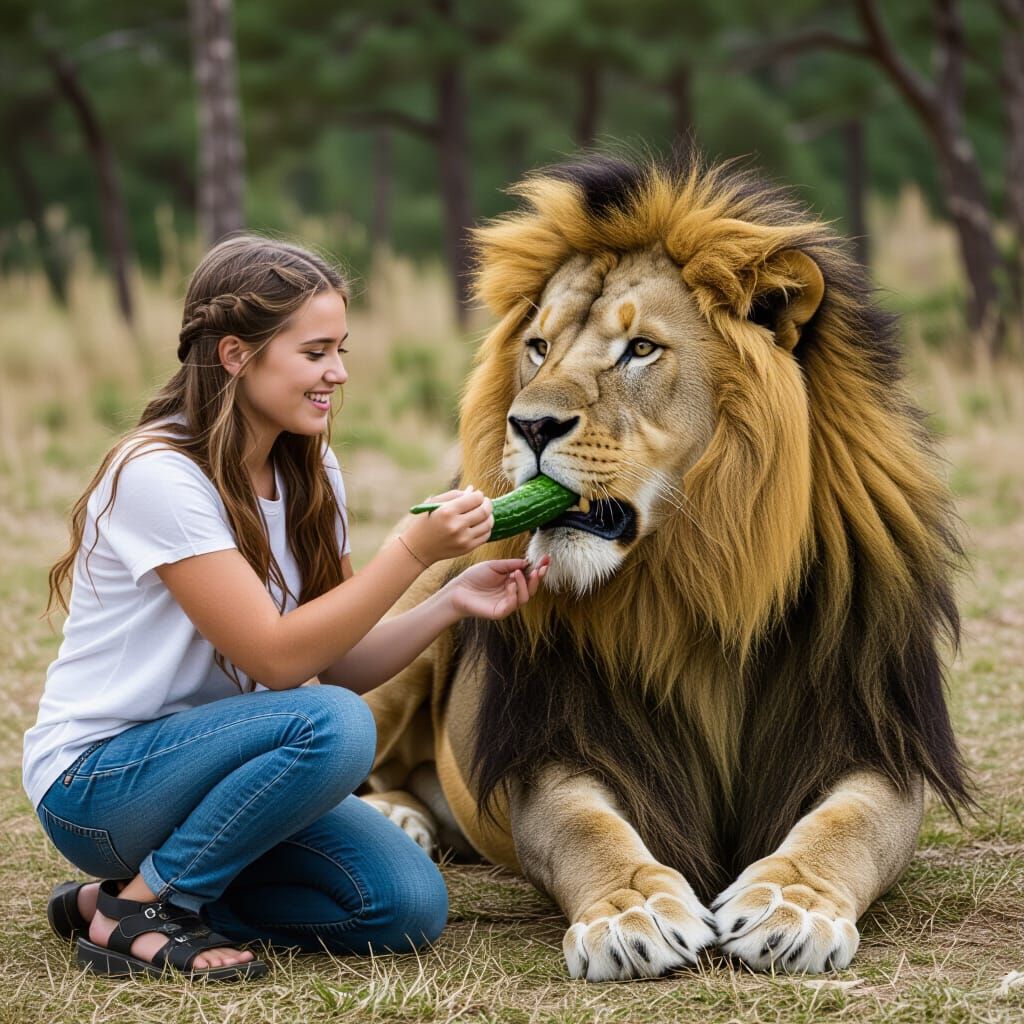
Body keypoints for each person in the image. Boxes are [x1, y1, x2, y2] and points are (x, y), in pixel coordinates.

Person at [23, 234, 549, 982]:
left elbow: (336, 660)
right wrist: (411, 550)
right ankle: (140, 915)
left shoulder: (308, 470)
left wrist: (448, 603)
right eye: (315, 352)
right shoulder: (159, 476)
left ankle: (125, 897)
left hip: (228, 777)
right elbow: (276, 658)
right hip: (102, 788)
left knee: (401, 906)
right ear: (237, 355)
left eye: (341, 348)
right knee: (333, 722)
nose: (337, 373)